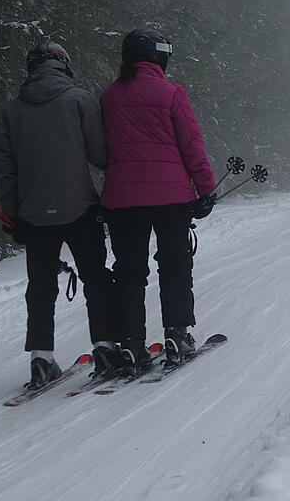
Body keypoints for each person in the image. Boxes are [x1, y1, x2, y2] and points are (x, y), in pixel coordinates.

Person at [0, 42, 118, 390]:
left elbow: (6, 170)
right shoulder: (80, 100)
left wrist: (13, 215)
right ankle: (105, 347)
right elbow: (100, 156)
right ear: (64, 64)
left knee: (41, 285)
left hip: (33, 214)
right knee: (95, 277)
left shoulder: (12, 112)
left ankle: (41, 358)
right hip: (80, 207)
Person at [99, 28, 216, 372]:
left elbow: (99, 149)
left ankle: (131, 344)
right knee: (175, 265)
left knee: (129, 272)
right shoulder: (171, 93)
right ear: (159, 58)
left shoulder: (107, 97)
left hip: (123, 200)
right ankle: (177, 335)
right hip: (171, 197)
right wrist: (205, 189)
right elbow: (191, 145)